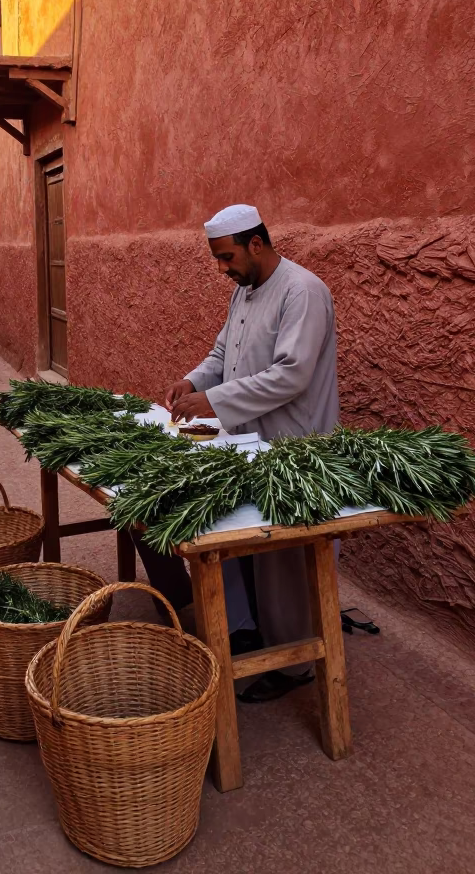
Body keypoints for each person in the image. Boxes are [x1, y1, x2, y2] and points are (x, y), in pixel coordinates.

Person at [157, 203, 340, 703]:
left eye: (226, 256)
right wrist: (194, 380)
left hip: (293, 444)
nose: (223, 268)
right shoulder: (245, 291)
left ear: (255, 243)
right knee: (236, 538)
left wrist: (212, 402)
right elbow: (223, 355)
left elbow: (292, 374)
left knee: (283, 556)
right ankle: (242, 628)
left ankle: (295, 660)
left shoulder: (303, 291)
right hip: (247, 440)